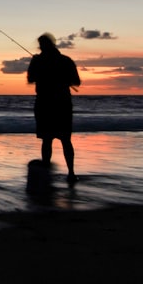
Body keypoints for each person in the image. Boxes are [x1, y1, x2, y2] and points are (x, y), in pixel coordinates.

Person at [26, 32, 81, 183]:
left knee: (47, 139)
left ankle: (46, 173)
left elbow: (30, 79)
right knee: (65, 140)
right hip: (62, 103)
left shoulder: (37, 61)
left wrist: (39, 68)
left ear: (42, 46)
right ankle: (71, 173)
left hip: (45, 103)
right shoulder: (66, 61)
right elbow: (77, 81)